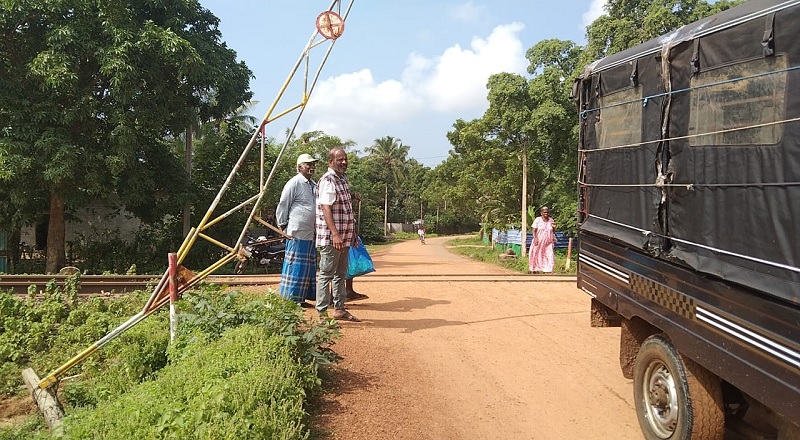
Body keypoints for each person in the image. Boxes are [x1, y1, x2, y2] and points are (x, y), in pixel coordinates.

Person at [315, 147, 361, 321]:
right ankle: (321, 314)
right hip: (331, 238)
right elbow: (326, 208)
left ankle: (339, 309)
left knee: (341, 274)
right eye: (339, 159)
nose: (344, 162)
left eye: (345, 159)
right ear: (330, 162)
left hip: (344, 237)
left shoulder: (341, 179)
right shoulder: (328, 180)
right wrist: (335, 234)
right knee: (326, 274)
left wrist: (352, 234)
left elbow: (346, 211)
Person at [276, 153, 319, 307]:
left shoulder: (313, 185)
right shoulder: (294, 183)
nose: (311, 167)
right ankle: (290, 299)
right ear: (300, 167)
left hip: (310, 233)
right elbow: (283, 204)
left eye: (313, 164)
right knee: (295, 265)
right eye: (308, 164)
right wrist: (282, 226)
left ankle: (301, 298)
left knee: (307, 267)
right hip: (295, 232)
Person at [529, 206, 557, 273]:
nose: (546, 214)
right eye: (544, 212)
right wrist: (535, 238)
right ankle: (535, 269)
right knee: (536, 255)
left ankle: (548, 270)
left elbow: (553, 231)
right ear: (541, 213)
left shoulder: (551, 220)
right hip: (539, 242)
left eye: (547, 212)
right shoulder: (538, 220)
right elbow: (534, 230)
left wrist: (554, 227)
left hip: (548, 242)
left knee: (549, 255)